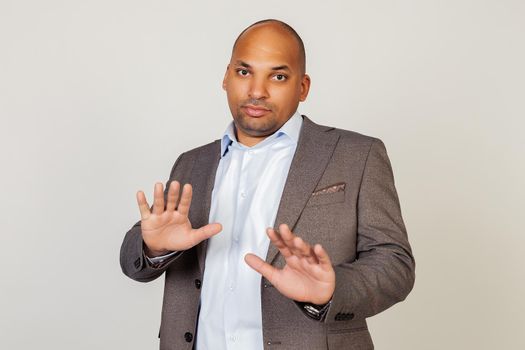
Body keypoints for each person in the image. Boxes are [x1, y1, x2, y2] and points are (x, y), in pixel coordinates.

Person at [120, 19, 415, 350]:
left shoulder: (356, 155)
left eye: (278, 76)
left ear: (302, 87)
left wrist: (332, 290)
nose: (257, 91)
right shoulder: (192, 162)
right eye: (244, 72)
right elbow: (135, 260)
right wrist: (154, 249)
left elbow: (395, 264)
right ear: (226, 77)